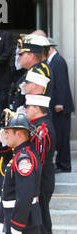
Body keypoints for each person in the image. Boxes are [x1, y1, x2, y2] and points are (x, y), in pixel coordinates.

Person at [0, 113, 42, 234]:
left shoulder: (24, 159)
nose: (6, 135)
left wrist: (16, 225)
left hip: (21, 224)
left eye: (8, 132)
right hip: (13, 220)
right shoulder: (17, 155)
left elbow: (24, 196)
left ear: (20, 134)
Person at [24, 94, 56, 234]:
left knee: (39, 224)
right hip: (41, 180)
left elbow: (39, 159)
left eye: (28, 107)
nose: (26, 111)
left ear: (37, 108)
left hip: (41, 181)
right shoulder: (37, 126)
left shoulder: (42, 128)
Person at [47, 41, 75, 173]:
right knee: (59, 135)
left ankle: (64, 164)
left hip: (61, 107)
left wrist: (60, 103)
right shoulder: (53, 60)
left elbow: (62, 83)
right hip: (57, 105)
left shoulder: (57, 61)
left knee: (62, 136)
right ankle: (61, 163)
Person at [9, 35, 52, 111]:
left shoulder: (37, 72)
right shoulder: (31, 71)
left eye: (21, 54)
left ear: (31, 55)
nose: (19, 57)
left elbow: (34, 101)